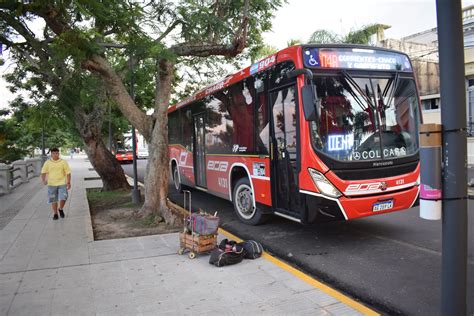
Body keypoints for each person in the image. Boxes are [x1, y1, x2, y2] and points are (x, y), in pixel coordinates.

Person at [40, 148, 71, 220]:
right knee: (53, 200)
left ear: (58, 154)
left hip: (62, 183)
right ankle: (55, 214)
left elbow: (68, 173)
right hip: (51, 184)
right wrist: (43, 180)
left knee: (64, 197)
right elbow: (43, 172)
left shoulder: (63, 162)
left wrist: (68, 182)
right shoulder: (47, 162)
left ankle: (60, 209)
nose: (55, 155)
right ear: (51, 154)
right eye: (53, 153)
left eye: (57, 153)